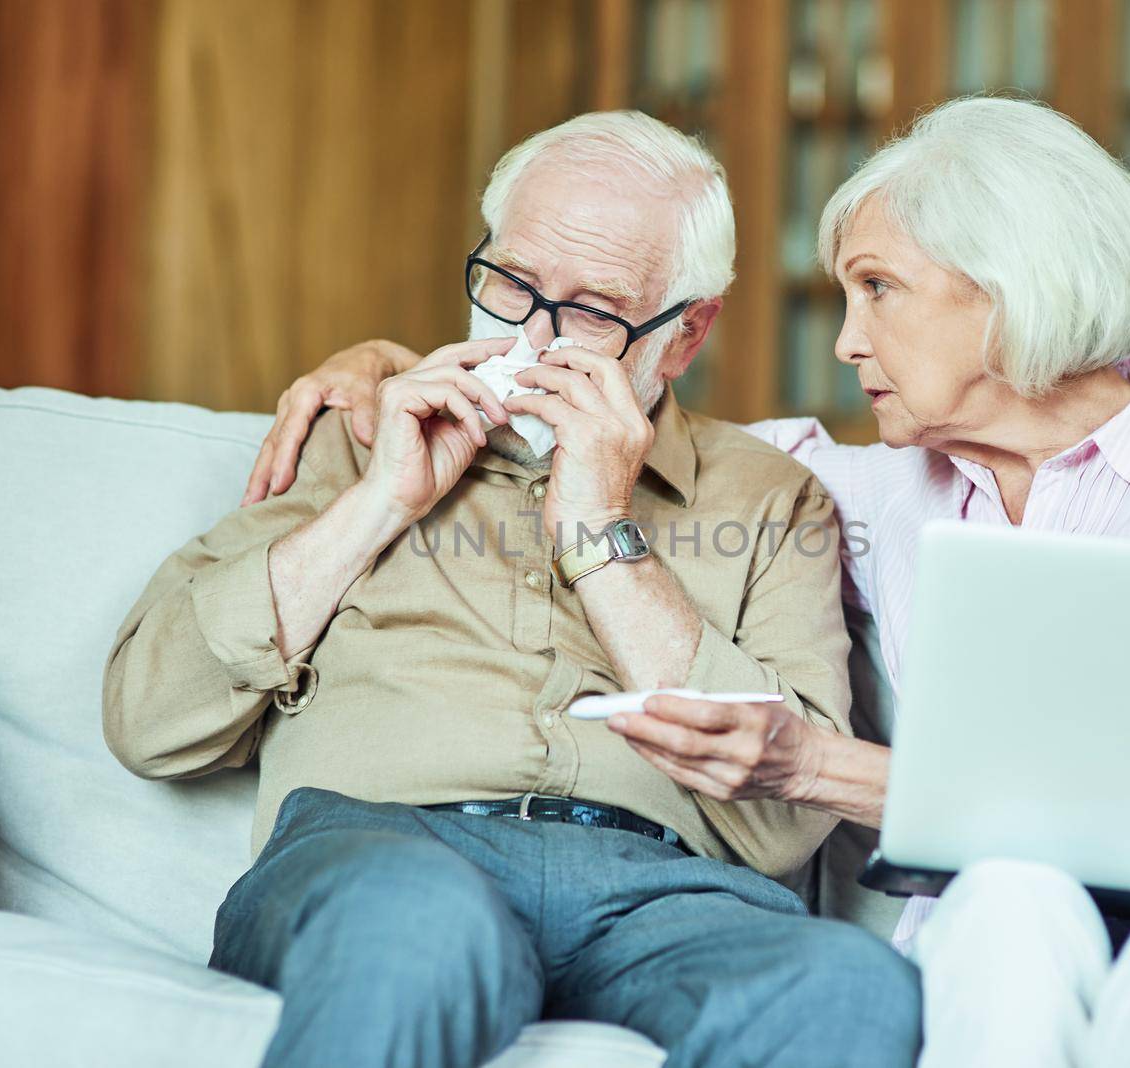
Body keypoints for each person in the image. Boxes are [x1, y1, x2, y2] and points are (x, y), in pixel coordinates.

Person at [249, 97, 1130, 1067]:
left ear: (1005, 290)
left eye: (879, 289)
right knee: (999, 914)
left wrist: (818, 767)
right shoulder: (882, 486)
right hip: (1020, 907)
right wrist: (407, 362)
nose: (846, 340)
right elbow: (644, 424)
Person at [103, 110, 921, 1068]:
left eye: (592, 310)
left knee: (851, 987)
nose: (530, 335)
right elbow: (148, 718)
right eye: (512, 282)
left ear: (685, 334)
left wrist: (598, 525)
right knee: (421, 926)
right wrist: (381, 502)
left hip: (666, 892)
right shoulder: (358, 433)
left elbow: (786, 819)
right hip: (383, 855)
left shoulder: (770, 497)